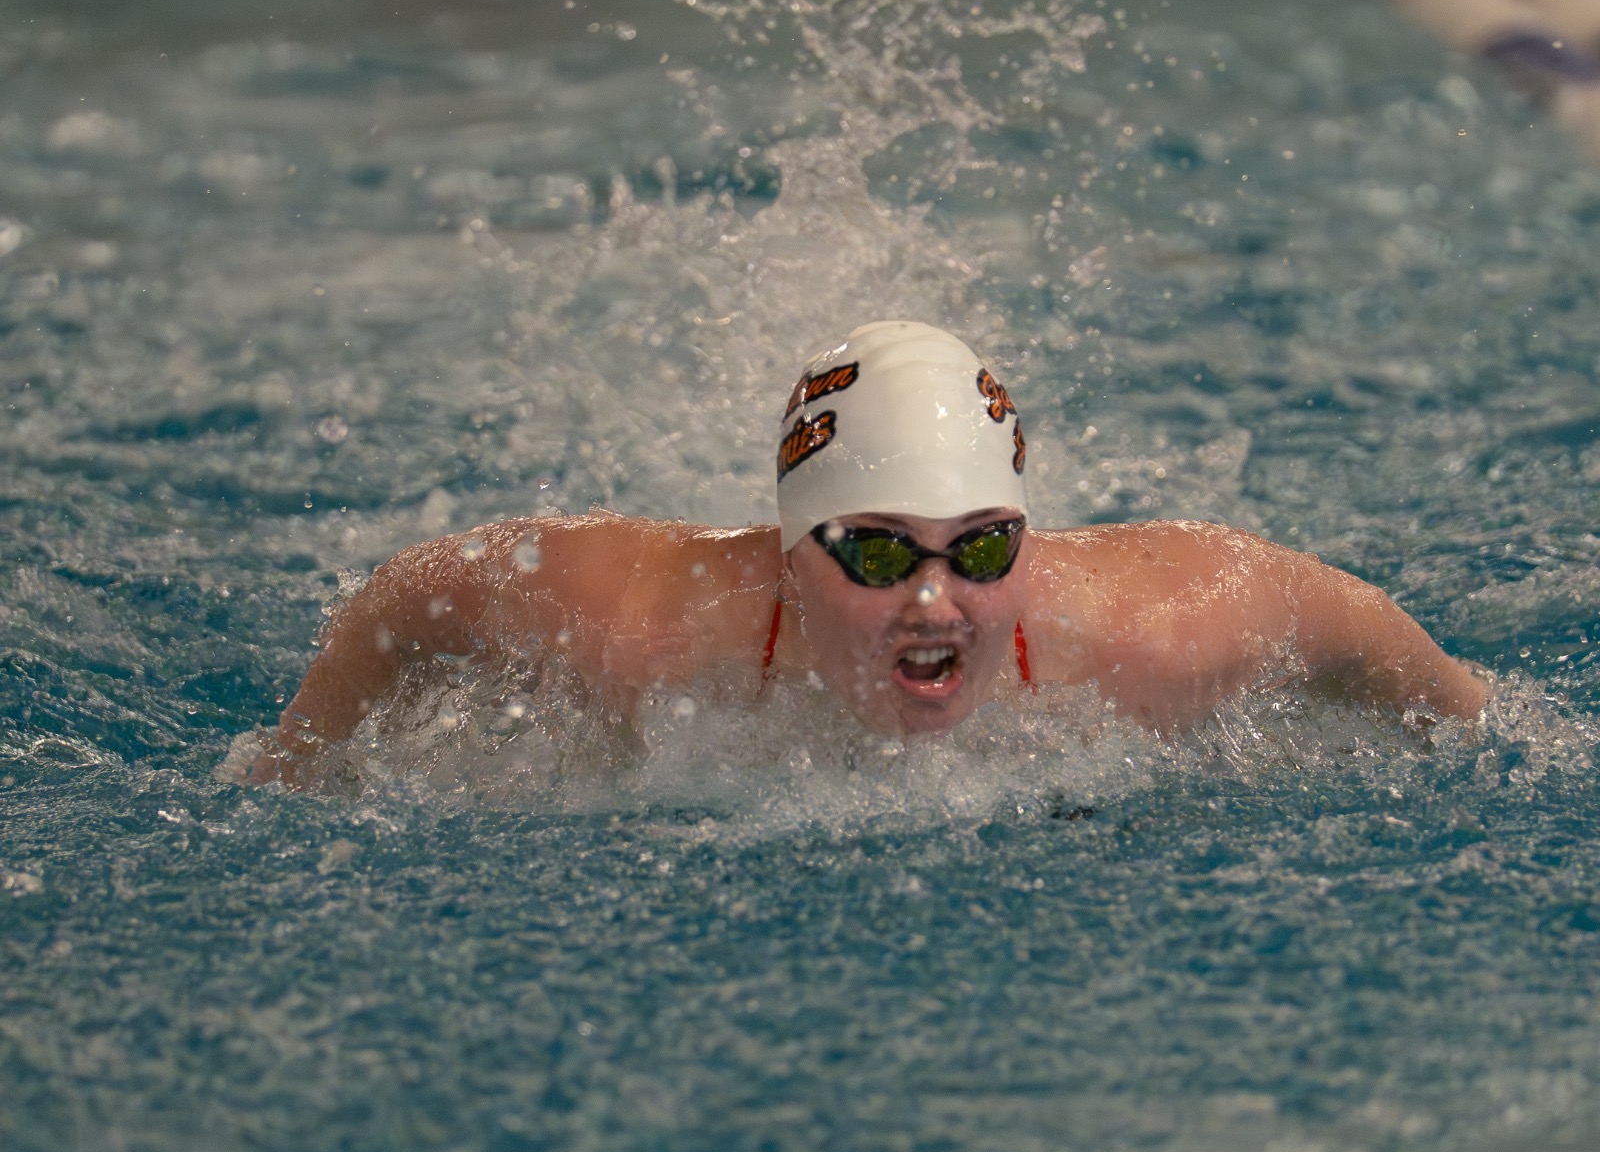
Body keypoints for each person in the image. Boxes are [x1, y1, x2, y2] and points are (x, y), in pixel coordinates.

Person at [251, 319, 1487, 785]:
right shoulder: (641, 631)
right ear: (791, 556)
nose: (937, 599)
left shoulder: (1156, 634)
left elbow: (1386, 651)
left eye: (981, 549)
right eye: (882, 556)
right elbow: (406, 598)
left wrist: (1487, 736)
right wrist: (302, 761)